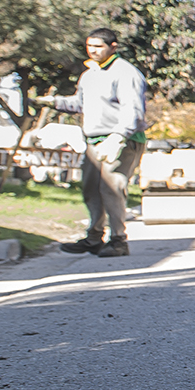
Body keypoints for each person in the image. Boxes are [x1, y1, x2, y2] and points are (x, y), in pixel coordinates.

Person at [31, 26, 148, 258]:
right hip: (94, 139)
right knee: (91, 189)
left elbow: (132, 109)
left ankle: (118, 240)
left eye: (98, 46)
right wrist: (52, 102)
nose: (93, 51)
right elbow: (79, 104)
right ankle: (94, 238)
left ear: (113, 47)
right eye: (89, 46)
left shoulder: (126, 73)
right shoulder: (89, 75)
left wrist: (119, 136)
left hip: (120, 139)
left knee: (111, 188)